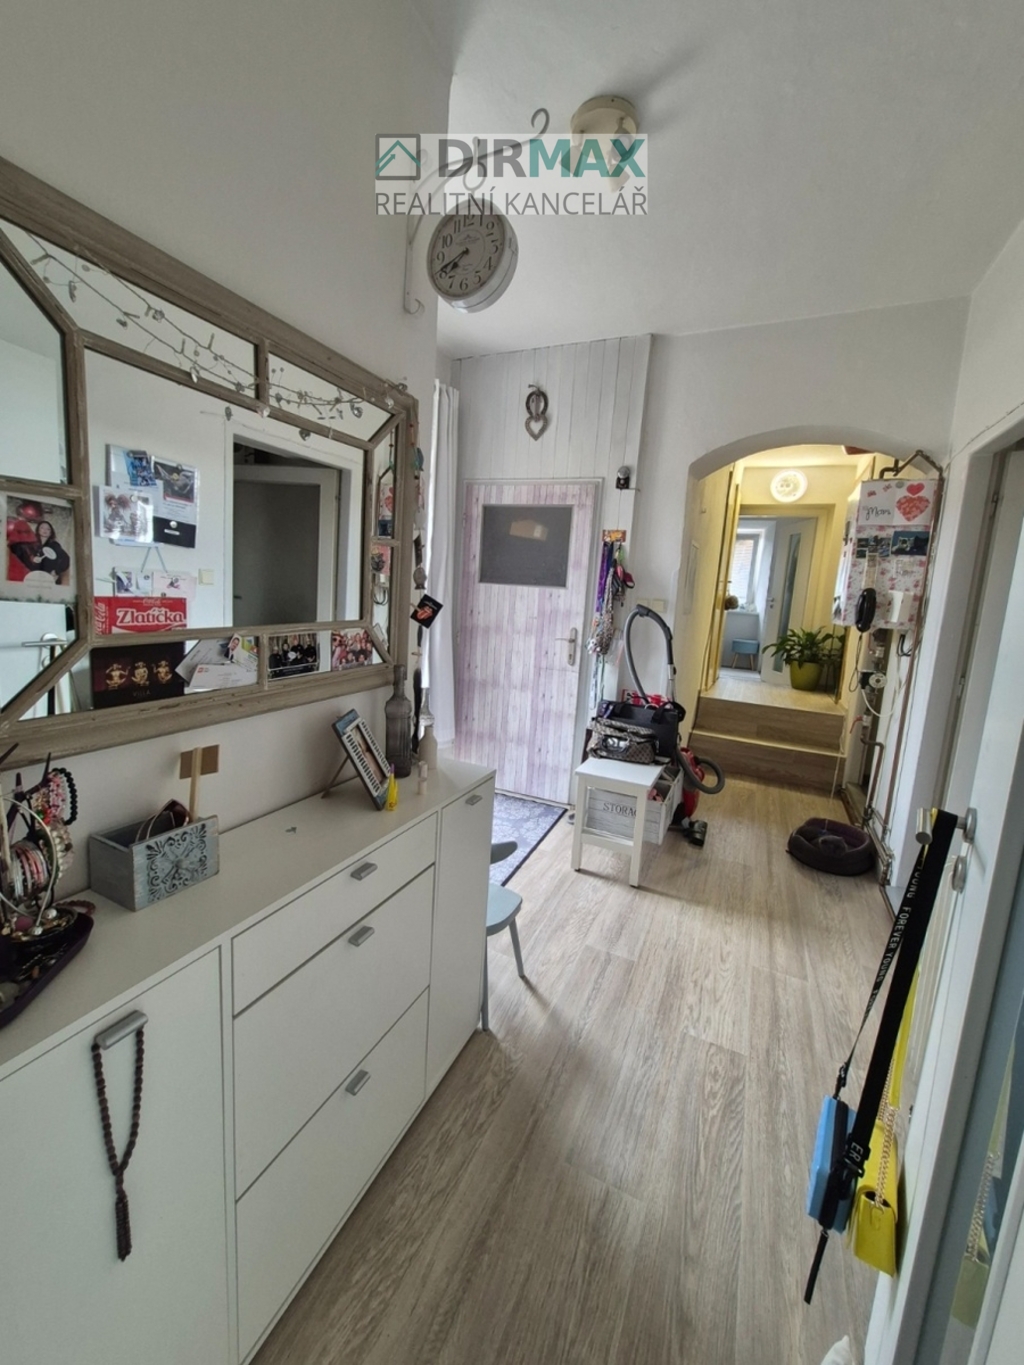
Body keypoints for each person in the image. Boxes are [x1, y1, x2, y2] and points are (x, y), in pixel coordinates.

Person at [10, 519, 71, 584]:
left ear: (51, 532)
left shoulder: (55, 545)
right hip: (32, 578)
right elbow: (19, 551)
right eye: (42, 528)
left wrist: (56, 572)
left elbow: (66, 559)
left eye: (48, 529)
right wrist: (32, 558)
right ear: (38, 530)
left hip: (49, 579)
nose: (45, 530)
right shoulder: (31, 544)